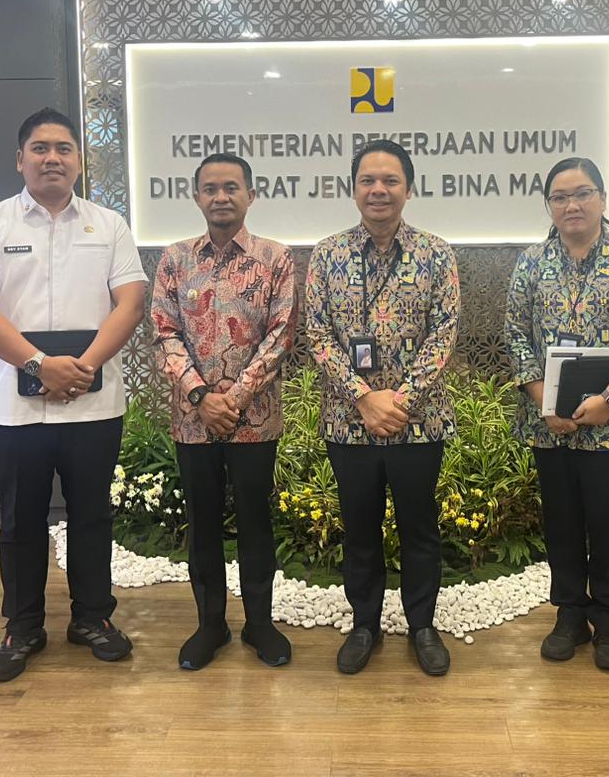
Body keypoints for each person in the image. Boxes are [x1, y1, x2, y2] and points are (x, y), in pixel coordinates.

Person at [0, 107, 147, 682]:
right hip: (14, 412)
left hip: (93, 403)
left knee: (92, 516)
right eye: (40, 148)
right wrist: (40, 365)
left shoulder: (109, 225)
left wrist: (81, 368)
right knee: (20, 522)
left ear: (79, 161)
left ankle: (92, 618)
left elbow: (131, 303)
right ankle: (23, 626)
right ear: (20, 160)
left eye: (64, 148)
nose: (52, 158)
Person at [305, 139, 460, 677]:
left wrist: (400, 400)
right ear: (353, 189)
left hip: (419, 423)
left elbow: (444, 333)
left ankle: (423, 626)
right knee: (360, 528)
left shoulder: (436, 253)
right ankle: (364, 624)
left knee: (419, 528)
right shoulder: (327, 254)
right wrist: (363, 396)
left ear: (408, 189)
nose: (379, 190)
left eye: (390, 180)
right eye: (368, 180)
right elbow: (317, 332)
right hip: (349, 422)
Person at [504, 157, 609, 671]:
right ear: (548, 205)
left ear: (602, 199)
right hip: (550, 425)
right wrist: (544, 402)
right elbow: (515, 334)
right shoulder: (532, 262)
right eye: (560, 197)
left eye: (582, 193)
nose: (571, 205)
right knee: (562, 522)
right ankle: (570, 614)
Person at [150, 152, 297, 671]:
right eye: (210, 188)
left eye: (231, 187)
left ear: (251, 195)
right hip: (193, 423)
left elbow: (281, 335)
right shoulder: (174, 259)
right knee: (203, 524)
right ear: (196, 197)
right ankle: (210, 625)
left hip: (255, 422)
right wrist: (200, 396)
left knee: (257, 523)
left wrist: (233, 400)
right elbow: (164, 332)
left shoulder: (276, 259)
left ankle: (260, 624)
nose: (221, 197)